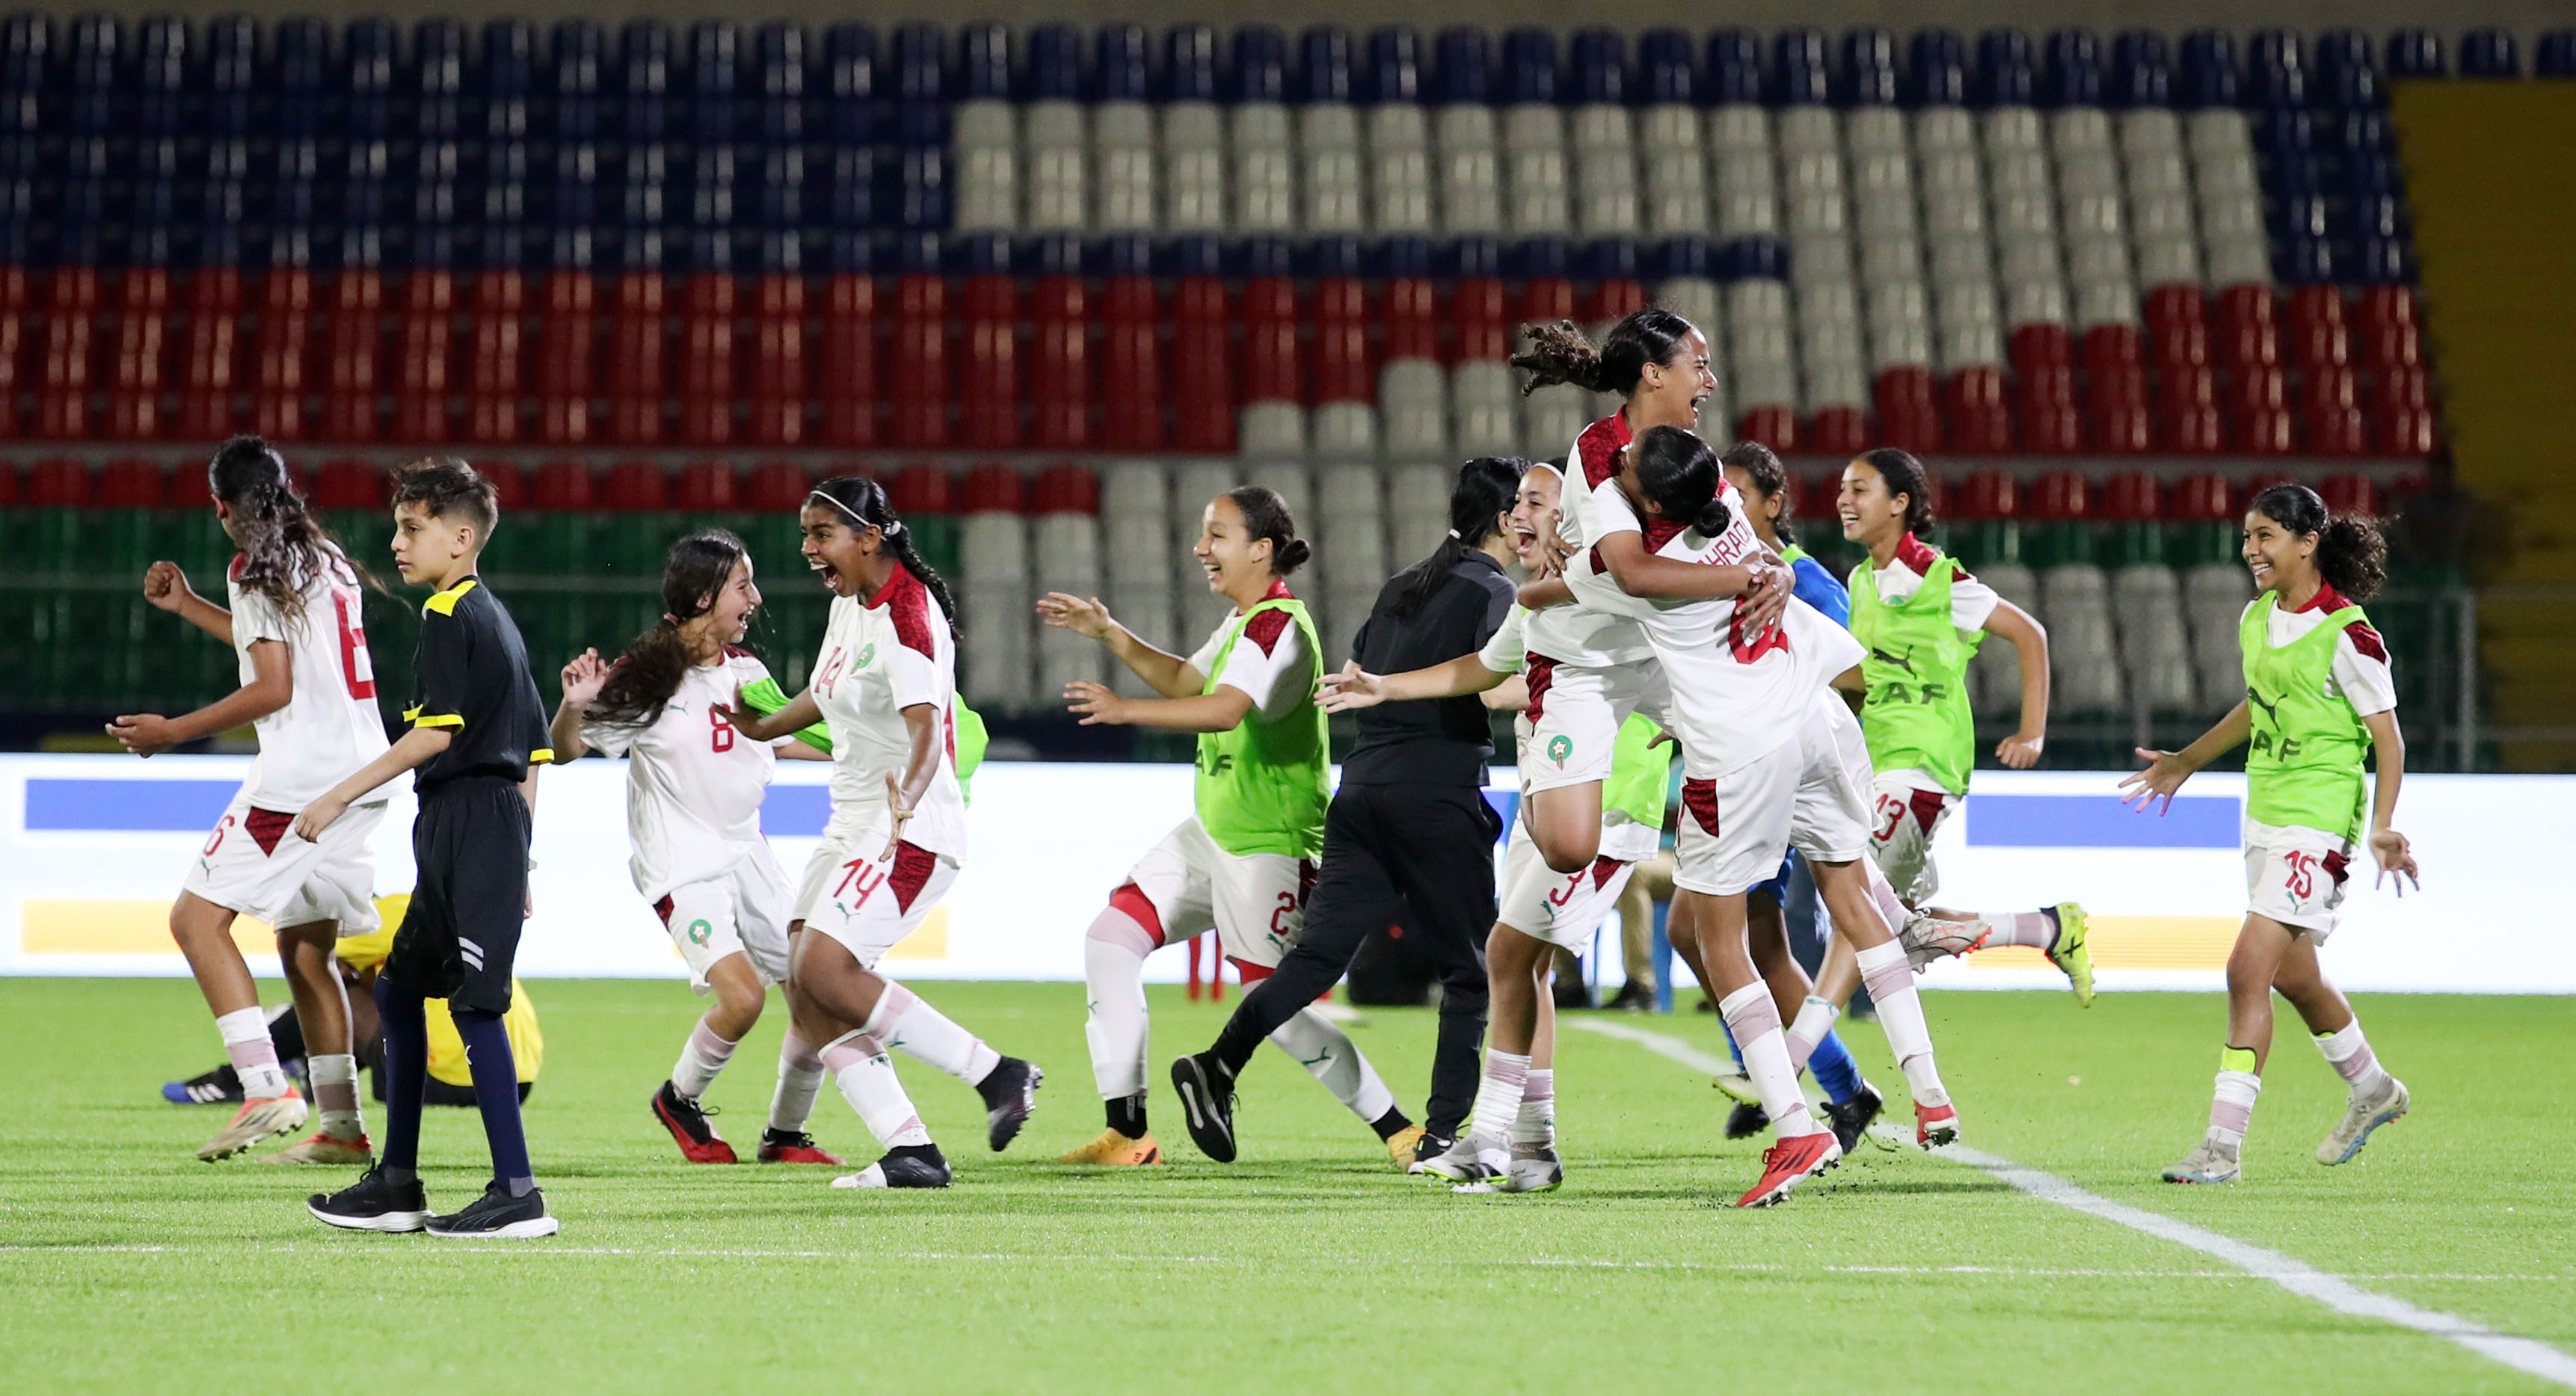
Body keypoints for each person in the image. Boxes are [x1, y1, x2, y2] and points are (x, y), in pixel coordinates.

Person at [1557, 426, 1958, 1207]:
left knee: (1718, 938)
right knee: (1854, 899)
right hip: (1812, 717)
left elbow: (1583, 583)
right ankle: (1929, 1090)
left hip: (1742, 751)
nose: (1617, 471)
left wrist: (1551, 568)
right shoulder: (1736, 524)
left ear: (1651, 503)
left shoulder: (1636, 568)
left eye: (1630, 472)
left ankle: (1794, 1126)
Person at [1039, 486, 1415, 1168]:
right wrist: (1110, 633)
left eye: (1216, 535)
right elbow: (1188, 682)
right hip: (1212, 831)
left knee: (1272, 1007)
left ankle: (1398, 1128)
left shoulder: (1276, 627)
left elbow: (1223, 710)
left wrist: (1124, 710)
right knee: (1109, 941)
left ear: (1260, 549)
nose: (1200, 548)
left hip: (1269, 841)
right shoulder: (1245, 621)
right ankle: (1128, 1134)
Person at [1168, 461, 1520, 1166]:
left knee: (1313, 960)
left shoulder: (1401, 585)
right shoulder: (1495, 591)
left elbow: (1363, 673)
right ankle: (1441, 1136)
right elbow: (1491, 688)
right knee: (1469, 973)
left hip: (1360, 792)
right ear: (1508, 519)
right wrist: (1565, 684)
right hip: (1435, 793)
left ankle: (1218, 1062)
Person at [721, 476, 1043, 1190]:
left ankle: (996, 1073)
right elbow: (824, 691)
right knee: (805, 983)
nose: (808, 549)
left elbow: (929, 728)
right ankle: (911, 1148)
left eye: (821, 534)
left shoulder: (909, 615)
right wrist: (763, 727)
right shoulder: (850, 603)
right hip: (853, 819)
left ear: (869, 537)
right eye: (805, 535)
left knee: (823, 969)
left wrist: (909, 798)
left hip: (910, 827)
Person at [2122, 484, 2417, 1185]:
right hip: (2265, 813)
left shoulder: (2348, 634)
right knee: (2294, 975)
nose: (2250, 550)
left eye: (2265, 537)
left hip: (2318, 820)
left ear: (2307, 542)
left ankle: (2220, 1148)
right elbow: (2259, 706)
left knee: (2245, 969)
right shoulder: (2256, 617)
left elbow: (2387, 737)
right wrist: (2187, 760)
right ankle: (2373, 1088)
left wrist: (2381, 825)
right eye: (2247, 537)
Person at [111, 436, 390, 1166]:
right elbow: (273, 646)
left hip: (301, 781)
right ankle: (342, 1127)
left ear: (220, 506)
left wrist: (172, 731)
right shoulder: (322, 556)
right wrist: (190, 605)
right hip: (363, 776)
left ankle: (265, 1085)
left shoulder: (253, 565)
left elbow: (273, 685)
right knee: (306, 950)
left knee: (195, 921)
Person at [301, 458, 558, 1237]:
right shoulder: (493, 618)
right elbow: (535, 751)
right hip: (468, 827)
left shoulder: (450, 614)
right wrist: (520, 859)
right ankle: (397, 1183)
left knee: (476, 1004)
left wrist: (338, 793)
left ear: (461, 537)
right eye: (398, 527)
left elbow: (434, 735)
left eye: (413, 528)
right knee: (398, 989)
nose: (397, 542)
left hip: (472, 822)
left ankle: (517, 1193)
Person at [547, 529, 844, 1167]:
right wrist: (573, 708)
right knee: (743, 999)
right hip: (682, 869)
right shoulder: (646, 679)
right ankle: (678, 1098)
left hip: (749, 854)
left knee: (817, 993)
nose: (755, 599)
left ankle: (785, 1134)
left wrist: (859, 754)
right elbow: (566, 750)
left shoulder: (748, 672)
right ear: (705, 596)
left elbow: (776, 739)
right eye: (743, 586)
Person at [1835, 449, 2095, 997]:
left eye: (1859, 489)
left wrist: (2032, 731)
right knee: (1898, 929)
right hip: (1878, 760)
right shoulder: (1860, 580)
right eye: (1842, 489)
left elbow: (2029, 634)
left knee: (1855, 919)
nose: (1843, 500)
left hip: (1924, 761)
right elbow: (1864, 677)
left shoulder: (1938, 577)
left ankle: (1798, 1042)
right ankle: (2046, 928)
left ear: (1899, 503)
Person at [162, 894, 545, 1110]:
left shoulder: (378, 919)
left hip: (443, 1079)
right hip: (514, 1082)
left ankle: (237, 1079)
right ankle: (311, 1068)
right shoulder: (426, 908)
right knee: (372, 990)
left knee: (328, 991)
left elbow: (314, 966)